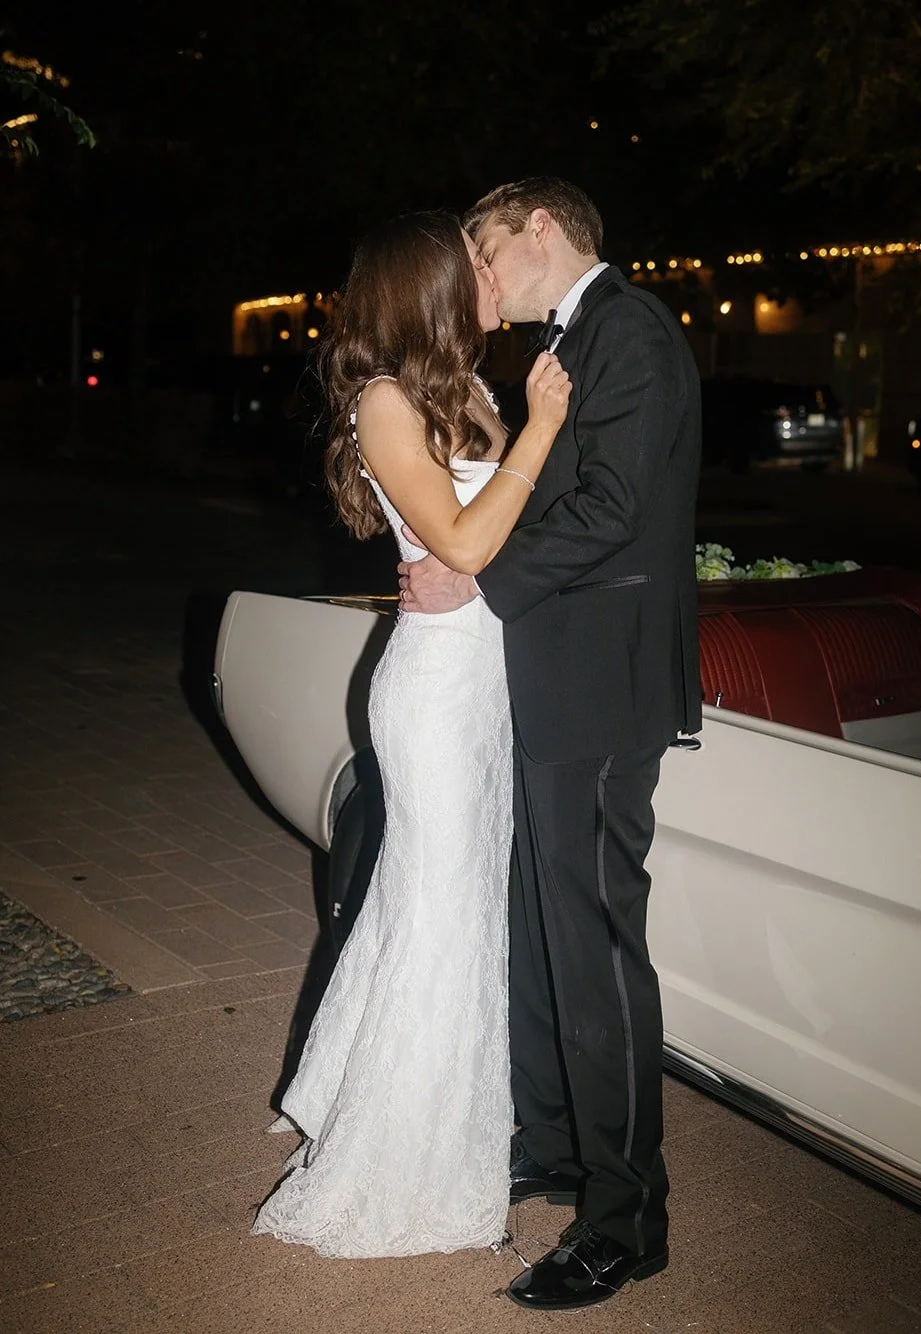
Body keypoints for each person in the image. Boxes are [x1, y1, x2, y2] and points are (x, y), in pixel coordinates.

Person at [399, 178, 702, 1311]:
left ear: (539, 229)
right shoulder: (574, 341)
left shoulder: (630, 330)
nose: (479, 282)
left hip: (602, 681)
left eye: (483, 255)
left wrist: (474, 582)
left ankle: (627, 1219)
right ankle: (559, 1142)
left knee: (592, 946)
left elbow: (614, 506)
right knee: (540, 923)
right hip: (549, 673)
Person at [252, 211, 571, 1258]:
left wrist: (513, 459)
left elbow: (504, 538)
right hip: (432, 692)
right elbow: (470, 532)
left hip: (487, 680)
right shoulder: (385, 401)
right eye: (472, 266)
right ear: (427, 287)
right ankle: (400, 1155)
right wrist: (538, 428)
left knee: (428, 905)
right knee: (441, 918)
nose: (490, 278)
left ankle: (347, 1089)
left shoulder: (465, 391)